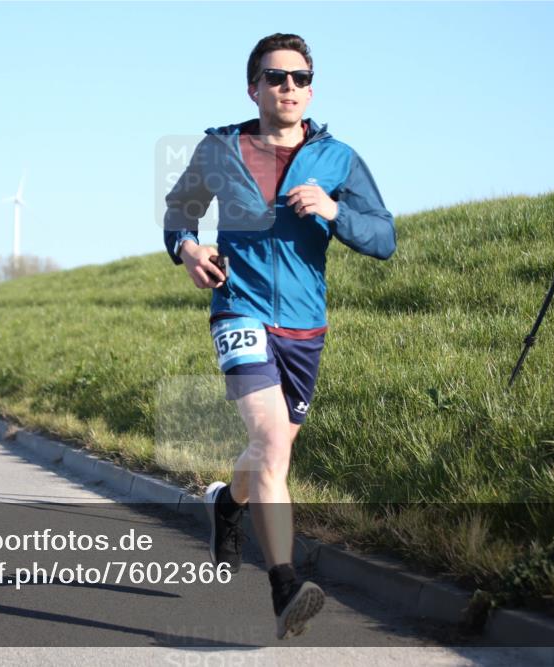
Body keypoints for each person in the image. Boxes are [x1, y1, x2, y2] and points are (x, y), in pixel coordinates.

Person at [163, 33, 396, 639]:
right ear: (254, 87)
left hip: (305, 327)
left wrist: (334, 211)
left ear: (310, 88)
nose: (287, 86)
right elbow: (179, 211)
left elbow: (384, 238)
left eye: (298, 77)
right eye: (275, 77)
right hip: (238, 311)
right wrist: (188, 249)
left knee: (269, 454)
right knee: (270, 440)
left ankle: (226, 505)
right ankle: (284, 586)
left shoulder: (339, 159)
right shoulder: (219, 149)